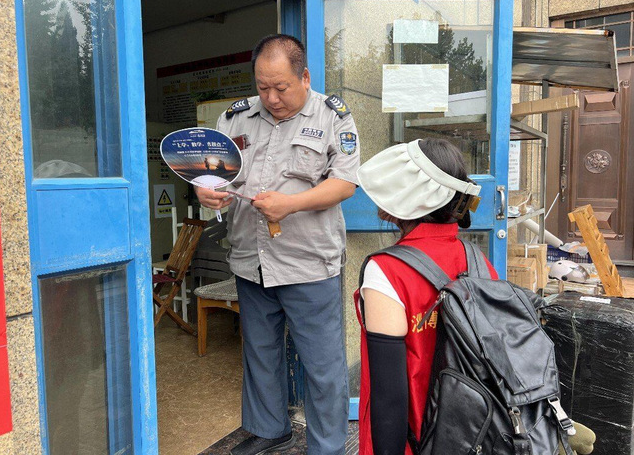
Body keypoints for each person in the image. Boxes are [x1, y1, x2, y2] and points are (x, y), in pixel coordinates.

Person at [195, 34, 360, 455]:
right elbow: (214, 176)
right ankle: (270, 430)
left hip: (308, 263)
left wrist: (291, 204)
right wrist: (207, 192)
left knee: (322, 364)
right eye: (262, 86)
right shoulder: (235, 118)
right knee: (261, 353)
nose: (271, 98)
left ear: (304, 77)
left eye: (281, 87)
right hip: (251, 259)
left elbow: (344, 184)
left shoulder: (332, 117)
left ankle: (327, 447)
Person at [353, 138, 498, 455]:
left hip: (415, 441)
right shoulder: (478, 262)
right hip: (473, 437)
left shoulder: (387, 271)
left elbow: (389, 397)